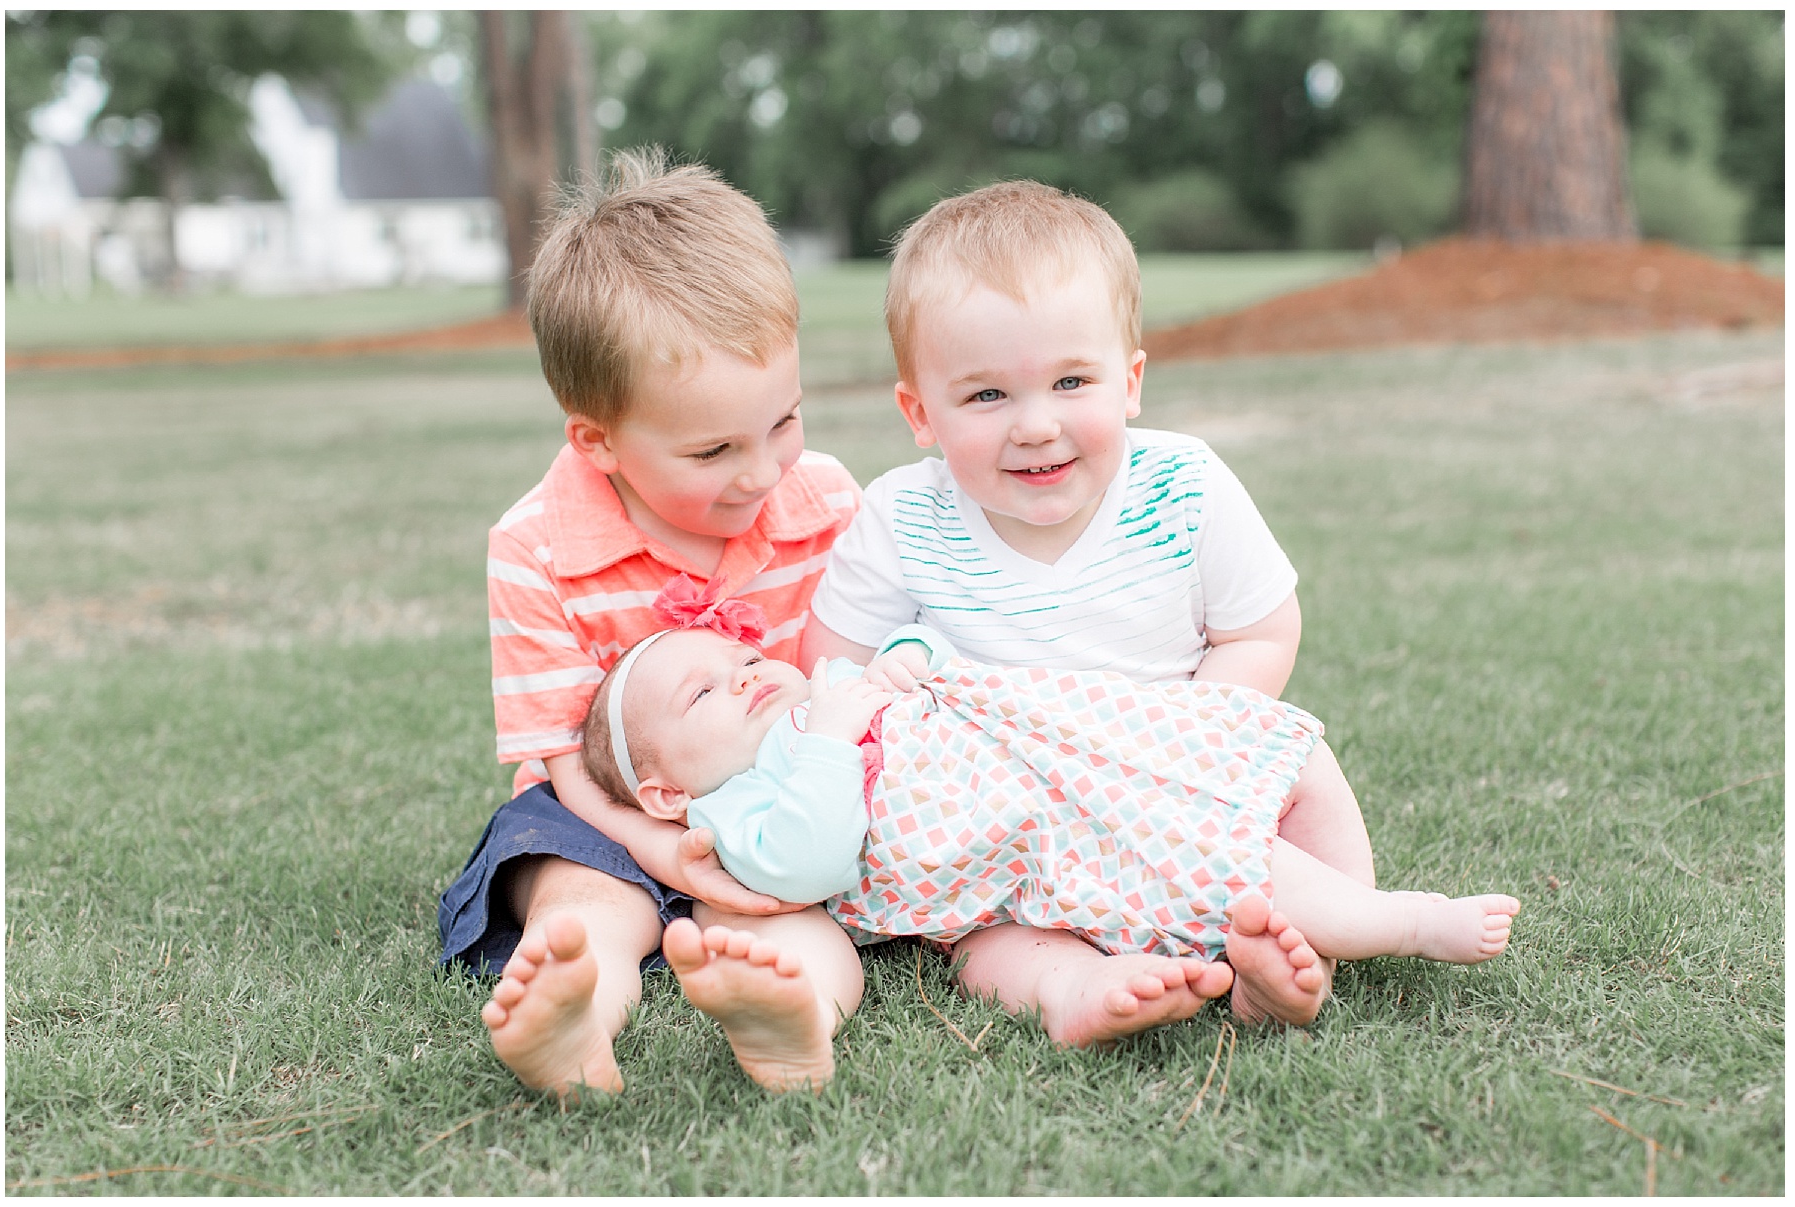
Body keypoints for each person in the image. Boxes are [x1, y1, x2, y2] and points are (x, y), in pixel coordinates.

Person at [800, 179, 1379, 1033]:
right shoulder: (902, 517)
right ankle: (1075, 991)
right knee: (985, 931)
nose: (1036, 424)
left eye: (1072, 380)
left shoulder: (1185, 486)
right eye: (987, 395)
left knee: (1304, 769)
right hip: (1007, 812)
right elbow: (832, 669)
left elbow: (1259, 629)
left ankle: (1306, 941)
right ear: (920, 412)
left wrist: (1189, 737)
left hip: (1175, 761)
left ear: (1131, 379)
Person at [437, 148, 873, 1097]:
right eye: (714, 448)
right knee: (586, 895)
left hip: (783, 794)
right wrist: (671, 853)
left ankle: (794, 1016)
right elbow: (561, 760)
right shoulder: (537, 547)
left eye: (785, 421)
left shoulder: (827, 500)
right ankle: (578, 1014)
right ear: (597, 438)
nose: (763, 473)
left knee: (796, 920)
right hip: (606, 809)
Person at [580, 612, 1520, 1008]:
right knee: (1201, 855)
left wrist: (904, 654)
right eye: (703, 695)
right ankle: (1405, 920)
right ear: (667, 790)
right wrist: (828, 735)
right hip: (1028, 842)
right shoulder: (741, 811)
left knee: (1228, 778)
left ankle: (1317, 925)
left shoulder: (821, 689)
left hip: (1052, 758)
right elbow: (815, 861)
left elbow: (916, 655)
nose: (743, 678)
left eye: (739, 658)